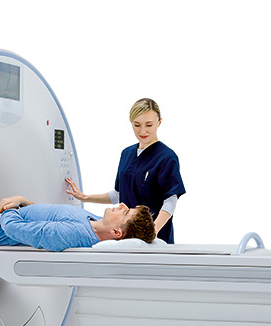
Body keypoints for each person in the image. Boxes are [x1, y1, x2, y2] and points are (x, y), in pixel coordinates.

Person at [65, 98, 185, 244]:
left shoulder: (167, 157)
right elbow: (119, 194)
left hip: (154, 237)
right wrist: (85, 197)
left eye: (149, 125)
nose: (143, 131)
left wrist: (154, 230)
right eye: (137, 125)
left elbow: (170, 200)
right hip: (124, 235)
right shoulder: (126, 153)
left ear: (159, 122)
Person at [0, 196, 155, 251]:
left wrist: (12, 209)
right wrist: (24, 202)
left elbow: (12, 228)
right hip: (0, 218)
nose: (122, 205)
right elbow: (47, 217)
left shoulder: (72, 234)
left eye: (125, 212)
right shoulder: (96, 221)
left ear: (116, 232)